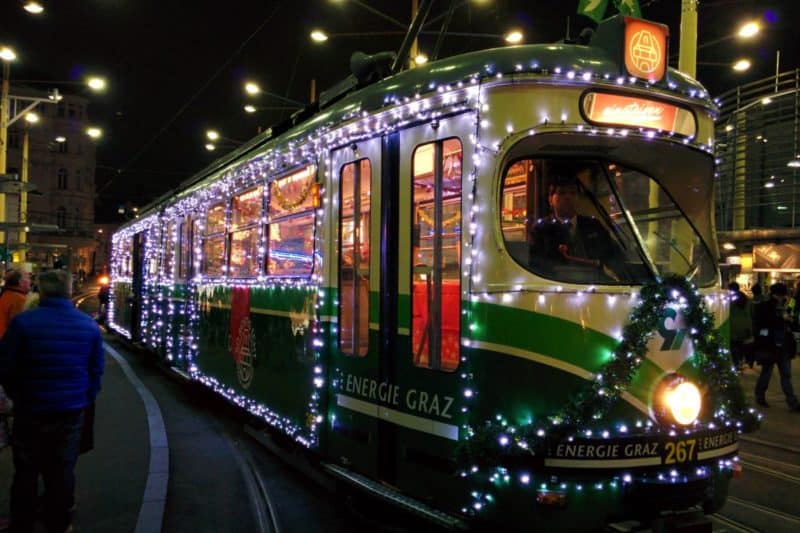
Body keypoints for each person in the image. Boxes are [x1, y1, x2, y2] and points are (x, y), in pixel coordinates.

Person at [0, 270, 105, 532]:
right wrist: (84, 398)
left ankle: (21, 522)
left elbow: (6, 368)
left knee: (26, 469)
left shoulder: (23, 323)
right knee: (62, 468)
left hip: (30, 408)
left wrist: (18, 396)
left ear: (42, 291)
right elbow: (96, 370)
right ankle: (58, 521)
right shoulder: (88, 325)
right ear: (70, 291)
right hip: (70, 409)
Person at [528, 174, 620, 282]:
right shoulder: (541, 229)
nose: (568, 197)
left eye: (572, 193)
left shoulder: (593, 225)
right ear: (550, 200)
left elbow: (611, 255)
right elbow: (537, 265)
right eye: (562, 193)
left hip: (594, 284)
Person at [752, 282, 800, 411]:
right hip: (771, 345)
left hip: (781, 346)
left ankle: (792, 402)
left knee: (783, 374)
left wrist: (789, 320)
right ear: (775, 295)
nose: (783, 298)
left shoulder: (785, 306)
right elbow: (763, 323)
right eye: (781, 295)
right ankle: (761, 396)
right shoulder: (766, 307)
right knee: (770, 373)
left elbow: (793, 324)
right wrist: (782, 319)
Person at [728, 282, 753, 370]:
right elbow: (749, 313)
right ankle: (740, 361)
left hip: (733, 325)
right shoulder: (745, 298)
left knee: (733, 346)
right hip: (744, 325)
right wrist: (749, 327)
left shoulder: (729, 299)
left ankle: (736, 363)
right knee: (741, 345)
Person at [0, 270, 31, 339]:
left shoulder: (6, 294)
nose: (30, 281)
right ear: (20, 282)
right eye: (27, 278)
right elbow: (18, 325)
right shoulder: (19, 299)